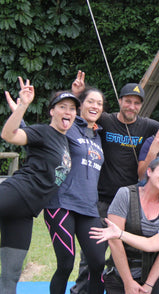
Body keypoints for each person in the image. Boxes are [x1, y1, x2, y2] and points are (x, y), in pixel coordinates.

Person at [70, 71, 159, 294]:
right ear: (120, 101)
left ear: (141, 106)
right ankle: (81, 291)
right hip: (100, 199)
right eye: (128, 101)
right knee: (93, 254)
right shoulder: (105, 120)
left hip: (130, 201)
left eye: (136, 103)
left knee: (127, 251)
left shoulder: (148, 126)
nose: (131, 106)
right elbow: (81, 115)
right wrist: (76, 94)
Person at [0, 77, 79, 293]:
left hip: (25, 213)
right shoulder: (44, 131)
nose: (68, 111)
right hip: (14, 194)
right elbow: (9, 134)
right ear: (52, 111)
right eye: (62, 107)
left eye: (72, 108)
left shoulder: (64, 140)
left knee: (11, 274)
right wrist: (22, 107)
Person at [43, 87, 106, 294]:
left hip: (88, 208)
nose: (94, 106)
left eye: (99, 103)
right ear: (81, 106)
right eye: (90, 102)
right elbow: (45, 132)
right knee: (66, 264)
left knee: (97, 264)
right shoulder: (68, 128)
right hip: (61, 204)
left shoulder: (98, 136)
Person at [104, 157, 159, 294]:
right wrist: (128, 281)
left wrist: (148, 285)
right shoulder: (125, 194)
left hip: (157, 269)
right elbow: (114, 242)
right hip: (124, 268)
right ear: (149, 171)